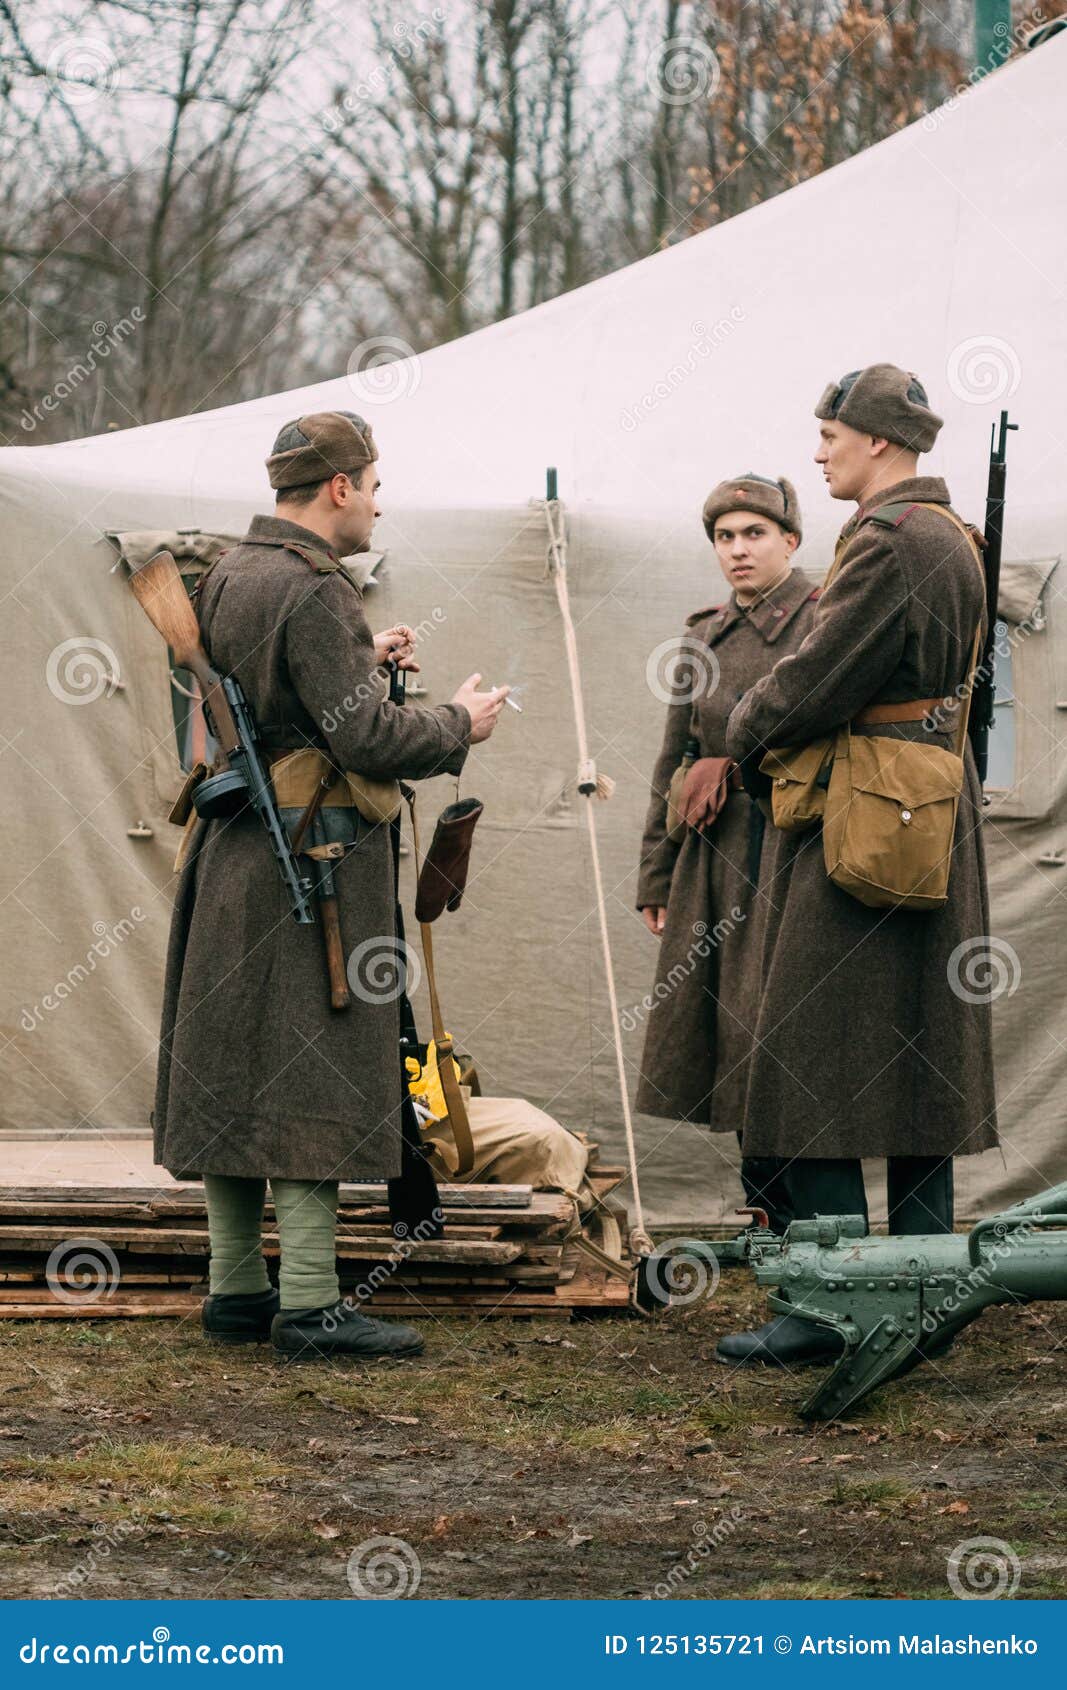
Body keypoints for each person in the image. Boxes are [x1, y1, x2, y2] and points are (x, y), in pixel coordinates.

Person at [153, 410, 508, 1362]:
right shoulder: (311, 589)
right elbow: (367, 742)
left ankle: (237, 1290)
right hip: (312, 861)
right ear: (340, 487)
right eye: (375, 485)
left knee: (233, 1066)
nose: (379, 503)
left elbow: (289, 697)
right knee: (308, 1063)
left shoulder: (229, 571)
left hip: (235, 855)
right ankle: (308, 1302)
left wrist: (364, 659)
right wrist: (457, 722)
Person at [719, 364, 996, 1367]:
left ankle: (827, 1304)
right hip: (923, 805)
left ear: (874, 440)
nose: (817, 450)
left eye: (828, 433)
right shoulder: (952, 537)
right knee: (917, 1061)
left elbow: (816, 677)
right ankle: (922, 1299)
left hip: (861, 817)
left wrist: (746, 727)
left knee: (805, 1055)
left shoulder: (887, 540)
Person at [635, 474, 818, 1230]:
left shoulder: (826, 620)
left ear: (791, 541)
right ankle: (767, 1218)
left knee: (782, 1030)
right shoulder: (701, 634)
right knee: (727, 1033)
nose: (737, 551)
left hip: (796, 848)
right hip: (712, 858)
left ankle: (813, 1223)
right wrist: (655, 874)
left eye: (754, 534)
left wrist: (736, 765)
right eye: (724, 537)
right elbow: (671, 755)